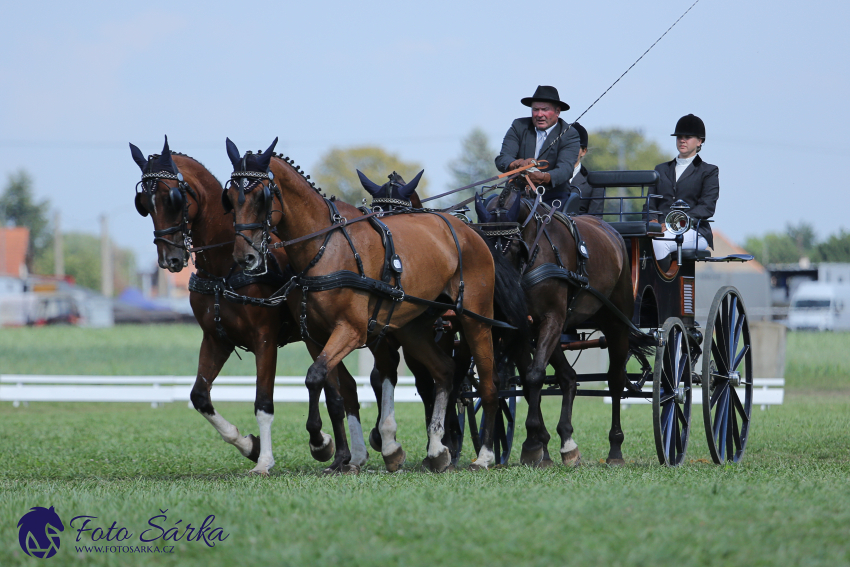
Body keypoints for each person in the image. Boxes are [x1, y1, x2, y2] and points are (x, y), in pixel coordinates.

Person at [495, 86, 581, 206]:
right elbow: (503, 158)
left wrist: (544, 177)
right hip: (517, 195)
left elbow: (565, 169)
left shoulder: (570, 134)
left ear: (557, 111)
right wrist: (517, 164)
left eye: (545, 109)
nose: (539, 114)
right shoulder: (519, 126)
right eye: (535, 109)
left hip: (553, 198)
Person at [650, 114, 719, 263]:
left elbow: (707, 207)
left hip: (693, 230)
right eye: (679, 136)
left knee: (660, 242)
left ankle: (661, 286)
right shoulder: (661, 169)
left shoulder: (708, 171)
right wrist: (653, 221)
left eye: (687, 137)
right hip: (658, 230)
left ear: (699, 141)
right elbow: (650, 203)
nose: (682, 140)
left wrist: (673, 224)